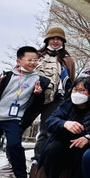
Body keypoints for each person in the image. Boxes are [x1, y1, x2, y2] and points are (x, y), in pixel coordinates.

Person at [0, 46, 49, 178]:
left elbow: (38, 104)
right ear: (19, 61)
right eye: (29, 60)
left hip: (14, 119)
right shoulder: (6, 76)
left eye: (35, 60)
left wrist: (38, 94)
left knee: (14, 146)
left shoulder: (39, 80)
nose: (33, 63)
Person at [38, 77, 90, 178]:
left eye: (82, 90)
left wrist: (87, 137)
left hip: (83, 144)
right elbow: (51, 121)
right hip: (62, 142)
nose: (78, 93)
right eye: (76, 89)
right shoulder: (66, 105)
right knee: (52, 150)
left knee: (84, 154)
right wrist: (65, 123)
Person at [33, 27, 76, 163]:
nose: (56, 41)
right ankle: (12, 160)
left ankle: (39, 157)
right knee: (19, 126)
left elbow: (71, 81)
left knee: (46, 129)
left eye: (59, 39)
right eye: (53, 38)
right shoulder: (37, 56)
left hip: (55, 98)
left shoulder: (67, 60)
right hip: (33, 96)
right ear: (47, 40)